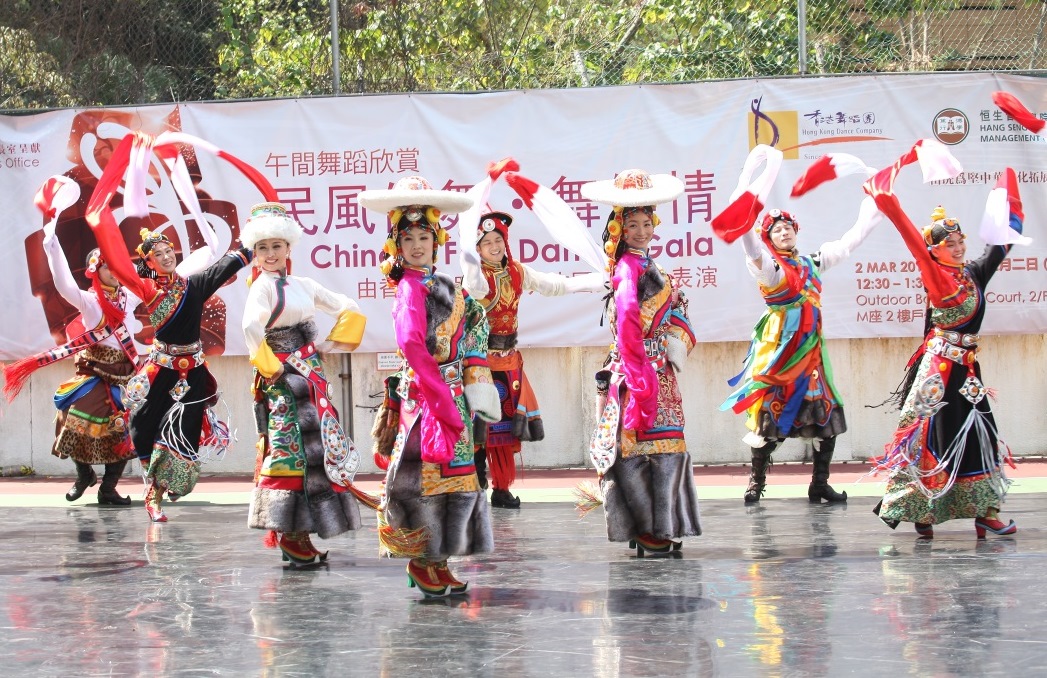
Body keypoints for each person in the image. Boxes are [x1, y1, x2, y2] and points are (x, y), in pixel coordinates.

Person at [85, 131, 274, 523]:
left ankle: (171, 480)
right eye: (159, 253)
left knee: (187, 431)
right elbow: (119, 261)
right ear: (150, 263)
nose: (168, 254)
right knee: (147, 426)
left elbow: (228, 263)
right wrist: (100, 215)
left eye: (170, 249)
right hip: (161, 370)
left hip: (194, 370)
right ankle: (151, 493)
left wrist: (257, 235)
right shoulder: (147, 290)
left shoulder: (193, 285)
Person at [866, 147, 1023, 539]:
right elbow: (908, 234)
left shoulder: (972, 275)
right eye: (949, 243)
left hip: (968, 370)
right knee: (932, 436)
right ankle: (923, 508)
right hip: (938, 372)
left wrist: (1010, 199)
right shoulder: (935, 276)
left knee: (980, 432)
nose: (958, 247)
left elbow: (1001, 247)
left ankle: (986, 512)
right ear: (934, 249)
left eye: (959, 241)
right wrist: (886, 198)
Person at [360, 176, 500, 596]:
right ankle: (422, 560)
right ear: (396, 246)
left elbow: (476, 322)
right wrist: (440, 395)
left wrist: (471, 384)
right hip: (426, 400)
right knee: (424, 480)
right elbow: (411, 345)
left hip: (452, 394)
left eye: (425, 236)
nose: (418, 245)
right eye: (409, 239)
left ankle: (438, 558)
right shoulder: (409, 288)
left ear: (436, 240)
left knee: (455, 478)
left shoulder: (442, 286)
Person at [457, 165, 606, 509]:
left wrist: (601, 281)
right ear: (477, 248)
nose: (493, 246)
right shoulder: (476, 280)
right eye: (487, 242)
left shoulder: (518, 272)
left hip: (510, 362)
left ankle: (502, 489)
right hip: (479, 364)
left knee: (506, 433)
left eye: (498, 240)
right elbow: (467, 255)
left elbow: (558, 285)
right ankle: (476, 486)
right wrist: (488, 185)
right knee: (480, 430)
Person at [720, 198, 882, 504]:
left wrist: (874, 204)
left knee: (825, 417)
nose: (784, 233)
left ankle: (819, 483)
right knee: (771, 421)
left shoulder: (812, 263)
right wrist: (745, 221)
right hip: (781, 357)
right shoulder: (769, 268)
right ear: (768, 238)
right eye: (777, 230)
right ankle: (756, 482)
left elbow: (850, 241)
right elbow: (752, 249)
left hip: (811, 358)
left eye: (787, 227)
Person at [241, 202, 368, 565]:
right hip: (284, 382)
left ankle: (301, 533)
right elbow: (251, 327)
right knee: (289, 451)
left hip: (310, 376)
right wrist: (272, 369)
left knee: (318, 451)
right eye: (262, 247)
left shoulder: (304, 284)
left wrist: (328, 346)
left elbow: (349, 307)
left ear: (288, 248)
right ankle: (288, 531)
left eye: (276, 246)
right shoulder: (261, 287)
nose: (269, 254)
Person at [582, 168, 701, 556]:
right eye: (632, 224)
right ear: (619, 229)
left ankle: (654, 526)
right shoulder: (628, 269)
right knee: (636, 453)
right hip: (637, 374)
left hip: (656, 370)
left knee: (662, 449)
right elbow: (629, 325)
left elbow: (674, 310)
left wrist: (673, 343)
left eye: (646, 223)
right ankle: (646, 527)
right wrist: (641, 378)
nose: (641, 230)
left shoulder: (649, 265)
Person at [3, 176, 142, 505]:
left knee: (123, 435)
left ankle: (109, 489)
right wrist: (51, 244)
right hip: (93, 375)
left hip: (126, 377)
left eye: (115, 265)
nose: (112, 271)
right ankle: (84, 475)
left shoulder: (132, 297)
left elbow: (163, 279)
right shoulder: (89, 301)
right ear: (96, 270)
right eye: (105, 266)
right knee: (72, 423)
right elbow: (62, 282)